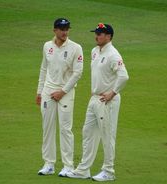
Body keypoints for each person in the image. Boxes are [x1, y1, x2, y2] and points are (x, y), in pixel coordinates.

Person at [67, 23, 129, 181]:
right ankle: (83, 170)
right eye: (96, 33)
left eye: (100, 33)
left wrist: (112, 93)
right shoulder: (94, 51)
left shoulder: (113, 54)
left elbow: (124, 76)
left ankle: (109, 171)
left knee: (107, 136)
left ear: (108, 37)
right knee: (87, 133)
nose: (97, 36)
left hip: (107, 100)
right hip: (94, 98)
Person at [36, 18, 83, 177]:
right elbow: (44, 69)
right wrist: (39, 91)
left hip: (66, 93)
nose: (65, 32)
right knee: (47, 128)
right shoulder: (47, 46)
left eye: (67, 29)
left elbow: (78, 73)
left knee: (65, 129)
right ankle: (49, 164)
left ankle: (68, 166)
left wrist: (62, 91)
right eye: (62, 29)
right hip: (48, 92)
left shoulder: (75, 48)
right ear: (54, 30)